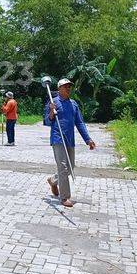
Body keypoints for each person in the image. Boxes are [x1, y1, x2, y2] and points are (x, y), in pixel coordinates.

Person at [44, 78, 96, 207]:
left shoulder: (73, 104)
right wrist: (51, 112)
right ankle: (65, 197)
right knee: (63, 167)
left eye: (69, 87)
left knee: (70, 167)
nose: (68, 89)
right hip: (57, 138)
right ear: (59, 88)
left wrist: (88, 139)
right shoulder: (53, 102)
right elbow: (47, 122)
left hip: (70, 140)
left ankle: (53, 181)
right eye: (65, 86)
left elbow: (79, 123)